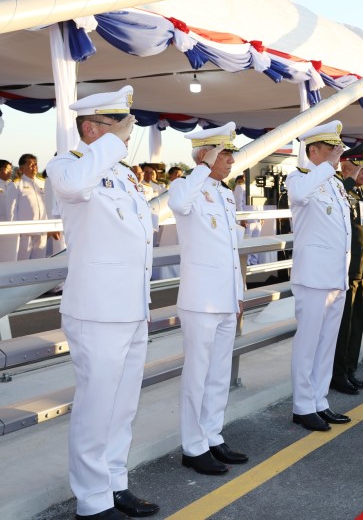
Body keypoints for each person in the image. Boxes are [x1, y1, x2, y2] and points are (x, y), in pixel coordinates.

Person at [46, 86, 159, 519]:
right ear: (91, 128)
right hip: (96, 310)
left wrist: (114, 143)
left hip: (131, 307)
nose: (128, 132)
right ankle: (92, 501)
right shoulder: (67, 166)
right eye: (120, 124)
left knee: (122, 407)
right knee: (96, 408)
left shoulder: (123, 175)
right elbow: (76, 185)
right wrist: (114, 141)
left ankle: (114, 483)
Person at [168, 122, 249, 476]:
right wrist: (202, 166)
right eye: (224, 153)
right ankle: (193, 446)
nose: (231, 160)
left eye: (230, 154)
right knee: (197, 376)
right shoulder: (185, 187)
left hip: (225, 298)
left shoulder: (224, 194)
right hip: (200, 300)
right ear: (205, 155)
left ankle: (213, 436)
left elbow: (231, 251)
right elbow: (178, 203)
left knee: (218, 374)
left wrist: (238, 295)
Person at [285, 120, 352, 432]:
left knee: (327, 343)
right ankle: (302, 405)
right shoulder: (299, 178)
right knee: (308, 342)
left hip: (336, 274)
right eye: (330, 149)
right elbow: (300, 195)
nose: (337, 154)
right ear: (313, 151)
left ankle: (319, 400)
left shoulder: (334, 183)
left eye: (338, 149)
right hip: (313, 276)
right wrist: (327, 167)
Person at [330, 143, 363, 395]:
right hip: (346, 269)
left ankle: (350, 370)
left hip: (362, 267)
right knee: (343, 325)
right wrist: (347, 181)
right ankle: (338, 374)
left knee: (356, 323)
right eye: (359, 167)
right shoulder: (340, 189)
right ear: (346, 167)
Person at [12, 153, 48, 260]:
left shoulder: (43, 184)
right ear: (21, 168)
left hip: (42, 229)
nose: (34, 167)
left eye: (35, 164)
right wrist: (14, 231)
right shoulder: (16, 185)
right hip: (24, 232)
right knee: (22, 262)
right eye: (31, 164)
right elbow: (11, 211)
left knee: (40, 262)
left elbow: (48, 206)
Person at [0, 159, 19, 262]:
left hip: (12, 225)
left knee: (11, 256)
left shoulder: (13, 185)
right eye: (8, 169)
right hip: (1, 223)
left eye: (11, 169)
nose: (11, 172)